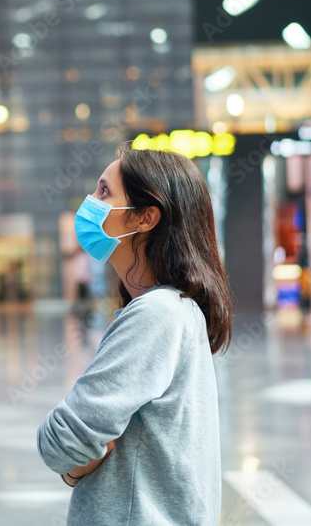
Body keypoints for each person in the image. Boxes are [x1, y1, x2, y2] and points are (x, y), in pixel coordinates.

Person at [36, 144, 233, 526]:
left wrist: (75, 467)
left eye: (104, 192)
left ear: (145, 218)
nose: (90, 202)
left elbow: (61, 440)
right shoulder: (178, 308)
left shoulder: (156, 314)